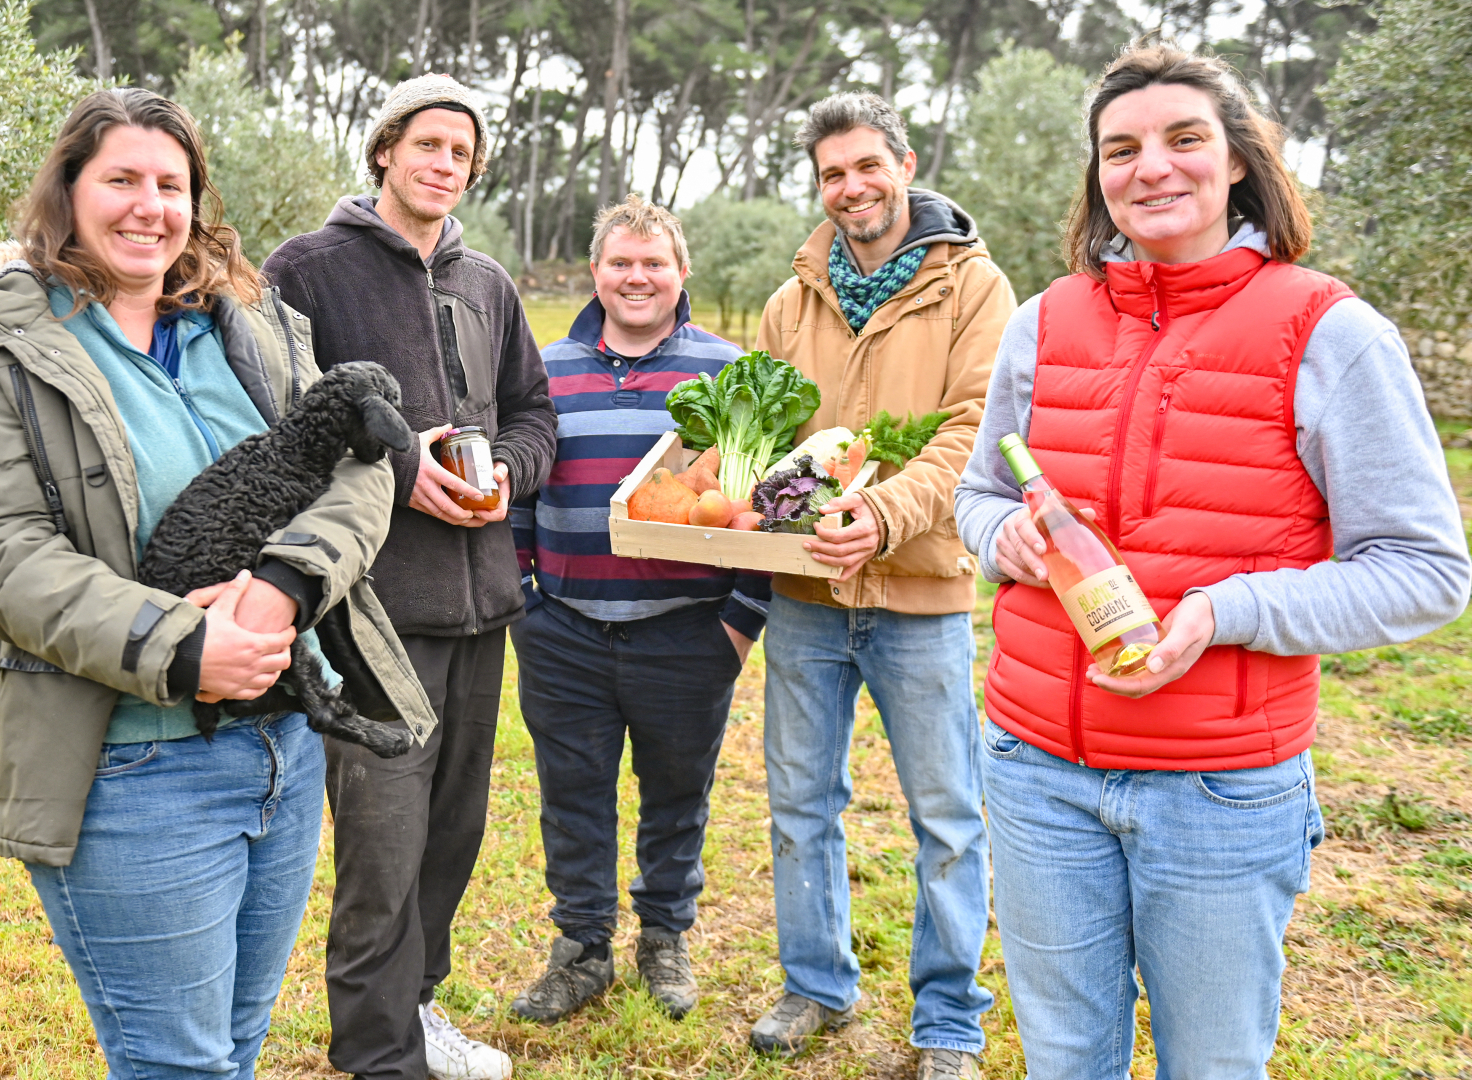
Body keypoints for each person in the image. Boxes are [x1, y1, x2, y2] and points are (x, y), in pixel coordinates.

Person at [954, 44, 1472, 1075]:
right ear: (1098, 175)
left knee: (1213, 1064)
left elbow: (1425, 569)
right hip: (1034, 768)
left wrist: (1223, 612)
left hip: (1220, 791)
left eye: (1184, 139)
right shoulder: (1042, 324)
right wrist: (998, 538)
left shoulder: (1331, 332)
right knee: (1062, 1058)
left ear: (1237, 158)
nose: (1152, 167)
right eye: (1122, 148)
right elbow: (979, 494)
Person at [0, 88, 430, 1079]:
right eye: (122, 180)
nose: (150, 206)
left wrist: (279, 588)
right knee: (178, 1065)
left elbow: (361, 471)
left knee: (232, 1051)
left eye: (172, 183)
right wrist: (182, 645)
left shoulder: (253, 323)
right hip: (135, 770)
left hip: (283, 750)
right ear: (66, 190)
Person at [262, 74, 557, 1080]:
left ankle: (415, 1013)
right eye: (427, 145)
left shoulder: (491, 285)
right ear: (385, 149)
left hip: (484, 609)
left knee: (451, 837)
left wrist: (507, 470)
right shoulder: (307, 271)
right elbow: (279, 424)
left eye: (462, 154)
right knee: (382, 847)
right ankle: (378, 1054)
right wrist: (401, 471)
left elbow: (533, 414)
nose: (445, 165)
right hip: (371, 612)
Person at [749, 92, 1015, 1077]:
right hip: (807, 600)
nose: (851, 187)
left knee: (946, 814)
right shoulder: (793, 300)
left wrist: (888, 515)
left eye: (867, 165)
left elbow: (973, 428)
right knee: (799, 804)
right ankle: (815, 985)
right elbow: (777, 442)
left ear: (903, 164)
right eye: (831, 174)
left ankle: (948, 1019)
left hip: (922, 597)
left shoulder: (975, 288)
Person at [507, 195, 769, 1024]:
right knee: (571, 793)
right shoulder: (544, 371)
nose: (637, 277)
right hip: (565, 631)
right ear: (595, 273)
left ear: (681, 272)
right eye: (621, 262)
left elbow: (763, 504)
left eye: (654, 263)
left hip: (687, 632)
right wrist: (523, 604)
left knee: (677, 793)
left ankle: (664, 937)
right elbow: (516, 497)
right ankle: (582, 947)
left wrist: (738, 623)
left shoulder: (726, 373)